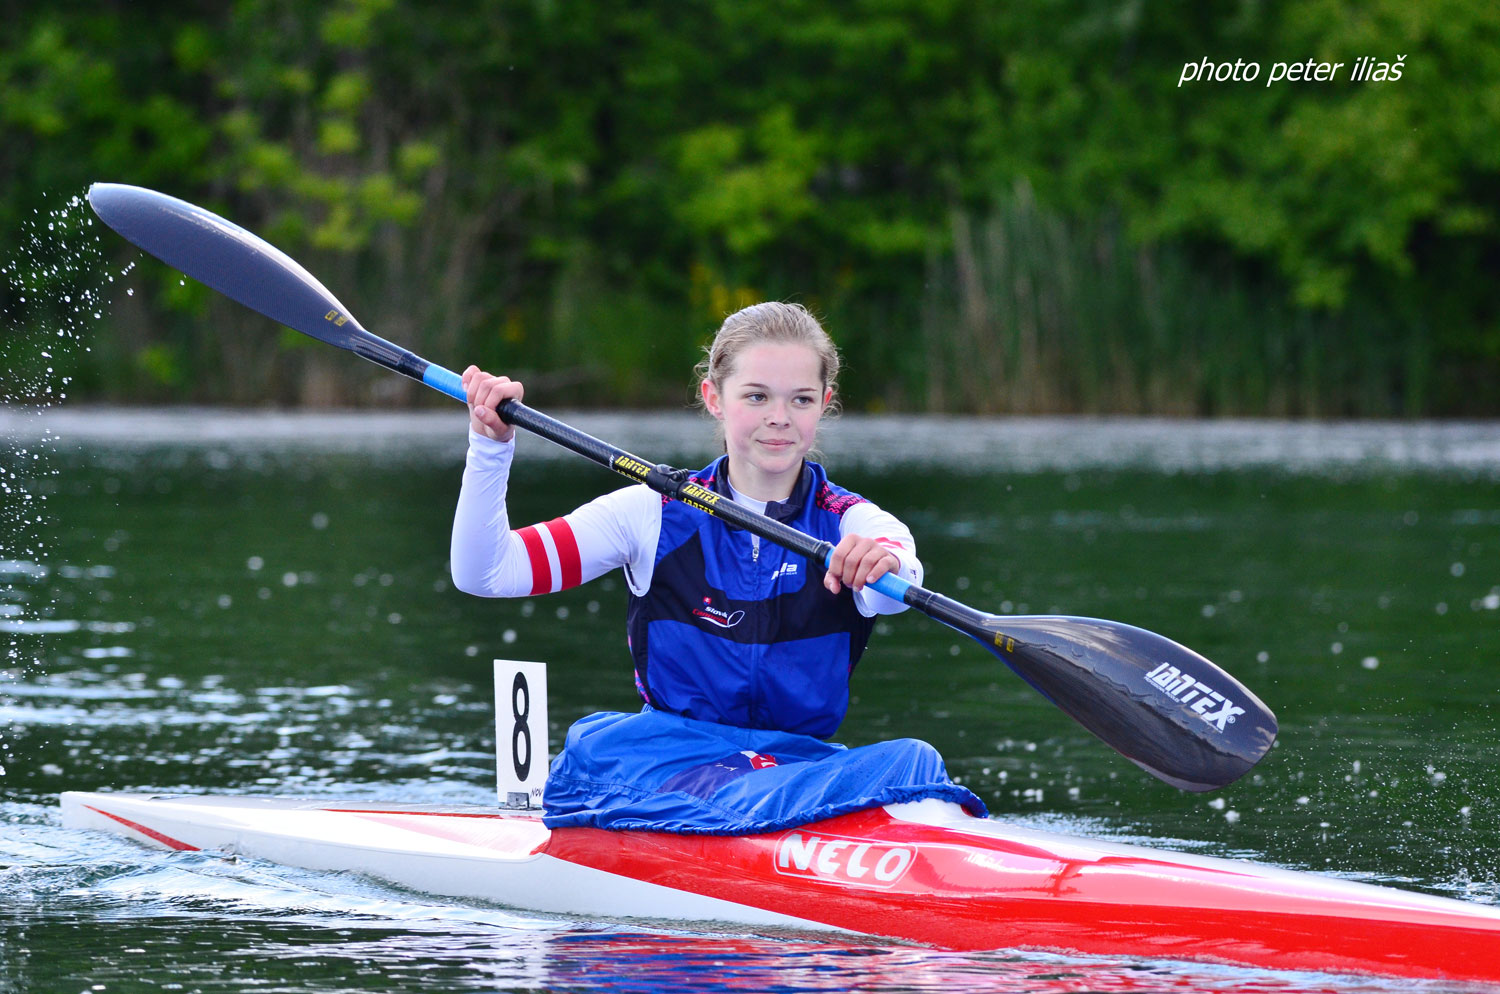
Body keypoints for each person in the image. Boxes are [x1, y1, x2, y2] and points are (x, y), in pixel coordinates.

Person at [451, 302, 984, 833]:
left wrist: (883, 562)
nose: (779, 417)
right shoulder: (650, 513)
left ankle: (748, 814)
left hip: (797, 767)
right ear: (714, 398)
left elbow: (895, 585)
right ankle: (750, 816)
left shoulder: (855, 522)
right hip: (668, 762)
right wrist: (491, 447)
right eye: (756, 397)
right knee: (597, 748)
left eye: (800, 399)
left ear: (824, 403)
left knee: (915, 759)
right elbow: (490, 573)